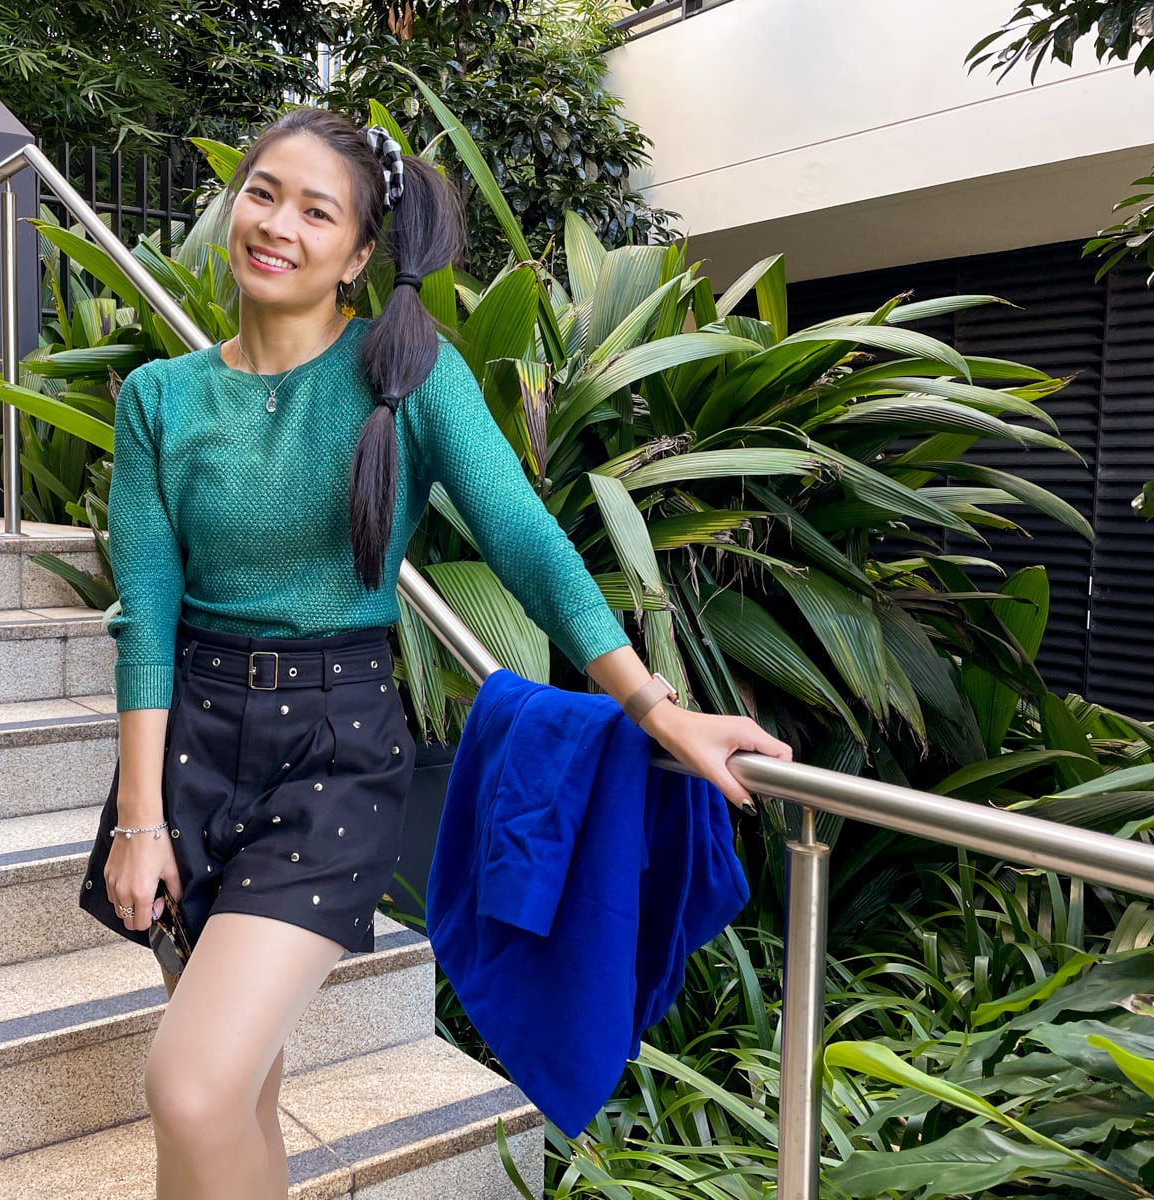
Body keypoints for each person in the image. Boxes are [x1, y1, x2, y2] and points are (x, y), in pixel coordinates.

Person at [99, 107, 792, 1200]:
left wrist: (657, 709)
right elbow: (146, 610)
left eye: (315, 210)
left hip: (333, 752)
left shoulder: (407, 379)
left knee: (187, 1089)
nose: (276, 224)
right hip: (189, 749)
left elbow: (527, 542)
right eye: (262, 192)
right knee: (238, 1089)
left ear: (361, 254)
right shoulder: (159, 399)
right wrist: (140, 820)